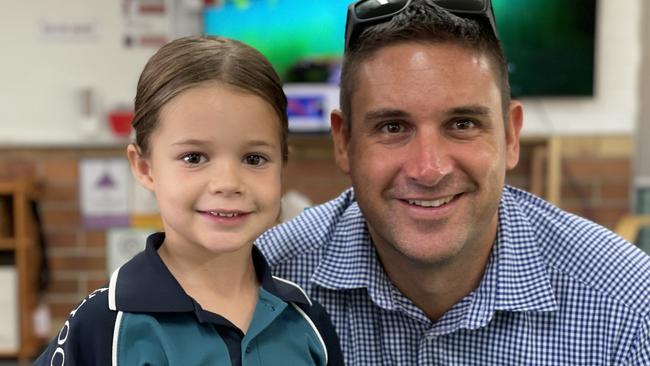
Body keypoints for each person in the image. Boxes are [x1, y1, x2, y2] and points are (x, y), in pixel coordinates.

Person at [256, 0, 650, 364]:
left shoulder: (628, 308)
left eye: (463, 124)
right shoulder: (259, 285)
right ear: (344, 142)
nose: (429, 169)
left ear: (511, 136)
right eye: (393, 127)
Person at [34, 35, 343, 366]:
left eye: (254, 159)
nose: (228, 183)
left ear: (282, 164)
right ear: (144, 167)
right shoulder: (102, 325)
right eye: (194, 157)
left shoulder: (307, 320)